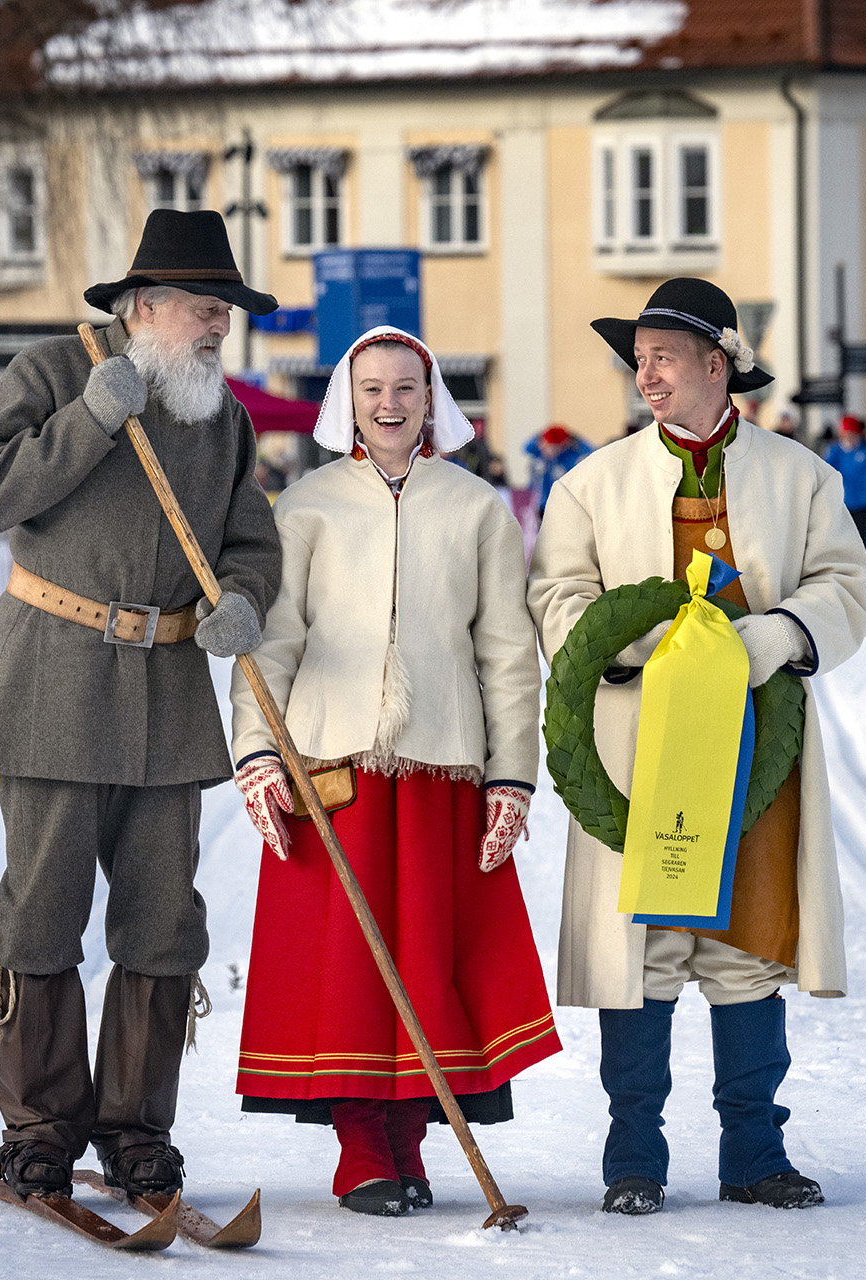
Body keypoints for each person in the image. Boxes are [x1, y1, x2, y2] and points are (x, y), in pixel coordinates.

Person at [0, 208, 283, 1204]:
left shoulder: (222, 415)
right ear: (142, 305)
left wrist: (240, 598)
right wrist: (91, 417)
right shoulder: (54, 373)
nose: (220, 323)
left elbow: (251, 542)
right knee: (44, 912)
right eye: (203, 304)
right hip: (54, 681)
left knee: (162, 920)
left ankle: (137, 1129)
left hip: (169, 698)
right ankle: (42, 1129)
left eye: (225, 306)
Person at [528, 277, 866, 1217]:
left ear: (718, 366)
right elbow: (555, 596)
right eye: (638, 360)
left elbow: (845, 584)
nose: (647, 376)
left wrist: (784, 635)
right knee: (644, 947)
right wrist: (623, 643)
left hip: (760, 744)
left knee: (745, 945)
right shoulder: (590, 483)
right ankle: (632, 1157)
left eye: (664, 358)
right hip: (641, 742)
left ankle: (755, 1153)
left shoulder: (802, 477)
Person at [228, 327, 561, 1218]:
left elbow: (506, 655)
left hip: (442, 772)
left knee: (425, 966)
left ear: (431, 397)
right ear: (347, 398)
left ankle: (409, 1145)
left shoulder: (477, 508)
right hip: (334, 771)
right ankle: (361, 1155)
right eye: (372, 387)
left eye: (406, 387)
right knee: (349, 970)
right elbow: (271, 645)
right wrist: (260, 754)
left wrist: (512, 776)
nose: (389, 402)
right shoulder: (304, 506)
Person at [822, 416, 866, 549]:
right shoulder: (835, 451)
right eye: (845, 433)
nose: (849, 437)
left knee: (862, 542)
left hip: (863, 503)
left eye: (851, 433)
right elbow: (824, 470)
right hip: (842, 504)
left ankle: (863, 569)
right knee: (844, 544)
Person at [525, 423, 591, 516]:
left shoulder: (569, 458)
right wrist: (540, 435)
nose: (546, 449)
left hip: (561, 503)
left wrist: (574, 438)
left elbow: (590, 451)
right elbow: (526, 447)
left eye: (552, 447)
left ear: (562, 446)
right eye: (544, 445)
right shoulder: (539, 455)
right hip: (539, 504)